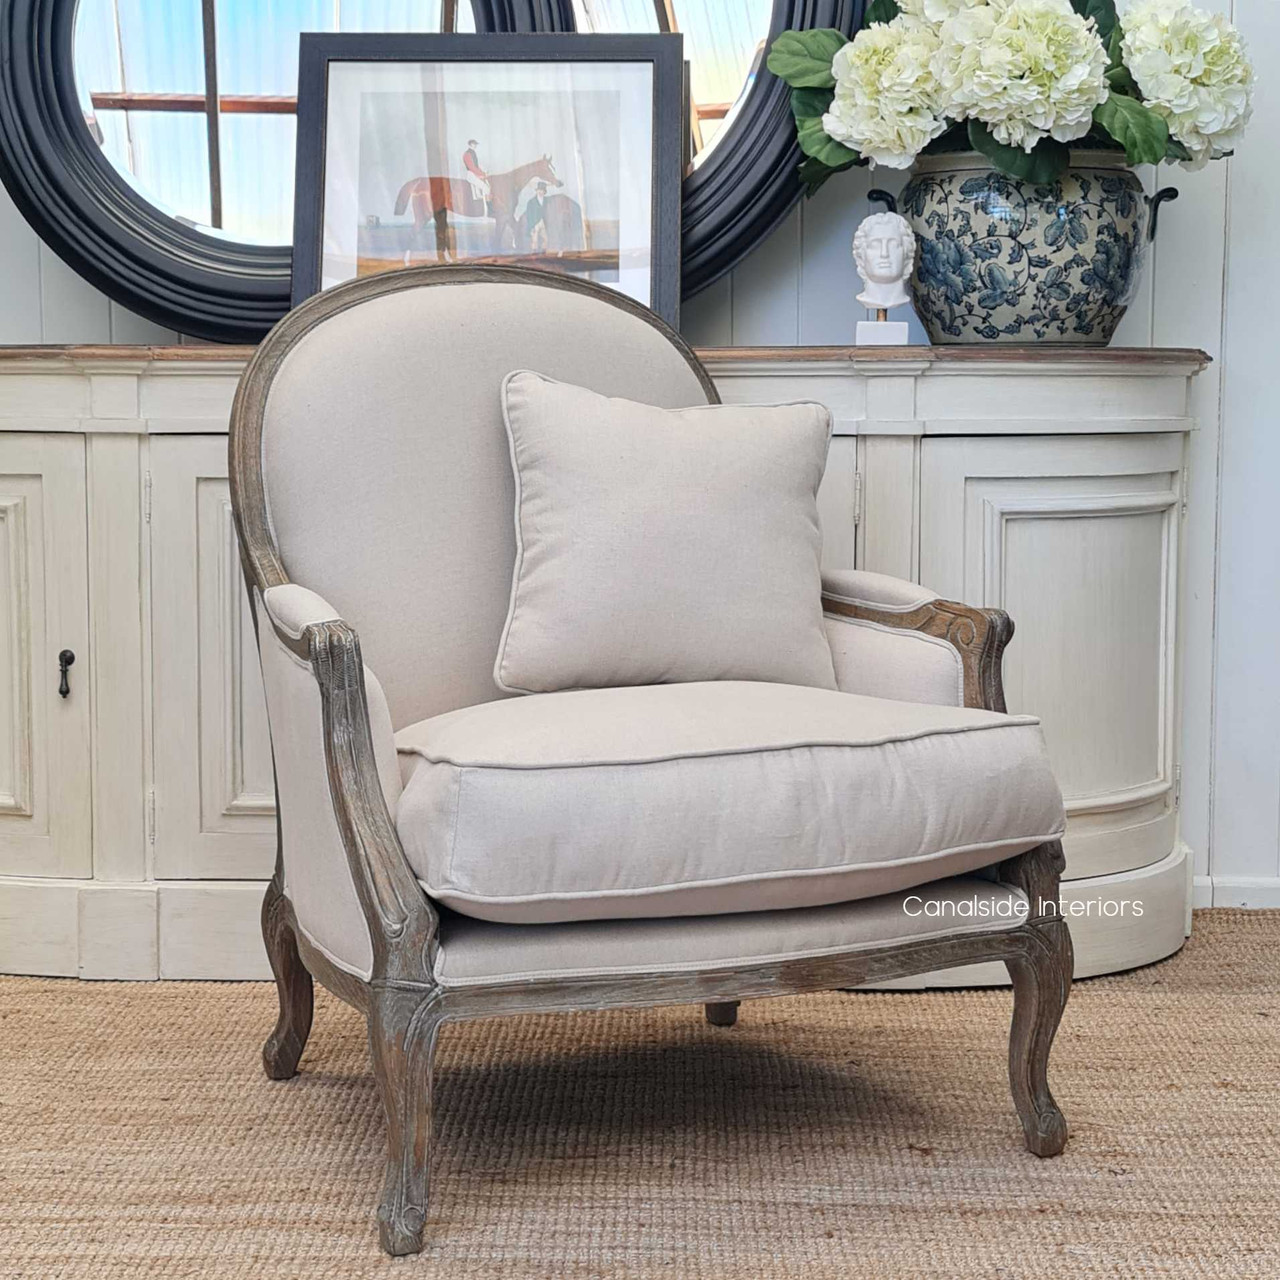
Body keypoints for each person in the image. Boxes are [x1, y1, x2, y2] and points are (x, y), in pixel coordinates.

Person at [462, 138, 489, 210]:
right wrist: (481, 174)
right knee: (485, 187)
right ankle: (488, 208)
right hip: (471, 174)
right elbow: (471, 167)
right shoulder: (467, 154)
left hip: (474, 173)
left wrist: (483, 172)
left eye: (476, 144)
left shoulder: (473, 153)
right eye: (474, 144)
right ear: (470, 144)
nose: (475, 145)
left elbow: (476, 166)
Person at [525, 181, 549, 253]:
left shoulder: (546, 200)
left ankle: (543, 252)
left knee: (545, 239)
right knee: (534, 240)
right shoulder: (531, 202)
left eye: (542, 190)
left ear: (544, 192)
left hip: (543, 222)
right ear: (536, 191)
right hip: (535, 223)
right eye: (539, 190)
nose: (540, 192)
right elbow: (529, 215)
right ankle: (534, 253)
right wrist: (531, 226)